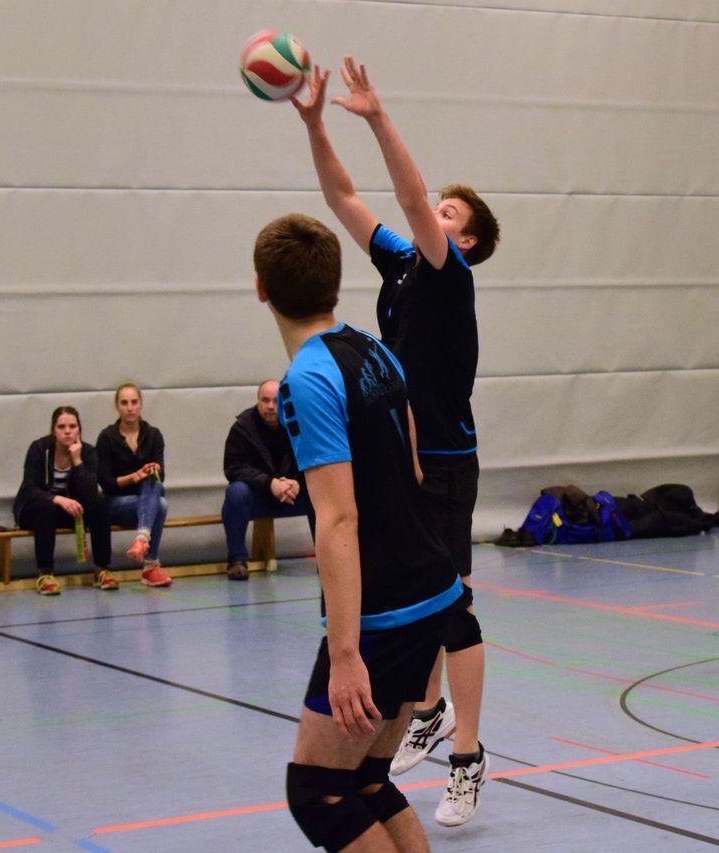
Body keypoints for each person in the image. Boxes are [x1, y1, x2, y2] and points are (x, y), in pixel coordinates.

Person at [292, 56, 499, 827]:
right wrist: (315, 125)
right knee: (413, 604)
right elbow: (343, 197)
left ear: (466, 242)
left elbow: (406, 196)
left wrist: (379, 117)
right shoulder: (404, 265)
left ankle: (468, 756)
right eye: (435, 208)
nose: (431, 214)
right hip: (403, 454)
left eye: (450, 213)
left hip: (444, 460)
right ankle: (431, 708)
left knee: (454, 609)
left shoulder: (448, 275)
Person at [255, 212, 462, 852]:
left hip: (386, 614)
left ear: (262, 288)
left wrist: (346, 655)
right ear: (335, 282)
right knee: (368, 779)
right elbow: (416, 464)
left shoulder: (308, 381)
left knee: (317, 792)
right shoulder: (373, 348)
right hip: (433, 588)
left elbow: (338, 519)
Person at [12, 406, 116, 595]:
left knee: (100, 504)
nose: (67, 431)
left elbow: (90, 493)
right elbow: (29, 487)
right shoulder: (39, 449)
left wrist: (77, 461)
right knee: (47, 508)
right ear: (53, 430)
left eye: (72, 426)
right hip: (36, 510)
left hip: (72, 510)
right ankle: (45, 574)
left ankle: (102, 569)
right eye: (61, 427)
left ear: (79, 429)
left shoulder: (88, 452)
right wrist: (57, 498)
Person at [222, 379, 309, 580]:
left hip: (293, 495)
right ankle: (237, 560)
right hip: (259, 497)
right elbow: (233, 468)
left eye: (276, 401)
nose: (271, 406)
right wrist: (270, 483)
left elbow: (314, 459)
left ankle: (327, 557)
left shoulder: (299, 424)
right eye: (265, 401)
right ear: (258, 401)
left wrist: (299, 482)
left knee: (320, 490)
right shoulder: (242, 428)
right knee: (236, 492)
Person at [96, 383, 172, 588]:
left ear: (141, 405)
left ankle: (142, 539)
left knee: (156, 489)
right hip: (117, 503)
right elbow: (106, 483)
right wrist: (133, 477)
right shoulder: (107, 437)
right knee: (160, 505)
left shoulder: (154, 434)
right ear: (117, 406)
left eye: (134, 402)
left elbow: (161, 476)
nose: (130, 408)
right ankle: (150, 564)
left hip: (147, 497)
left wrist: (151, 471)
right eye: (124, 403)